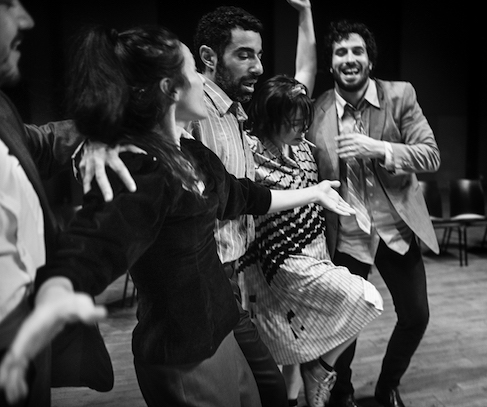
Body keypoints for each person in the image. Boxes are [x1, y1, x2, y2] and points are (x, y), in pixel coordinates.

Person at [0, 23, 355, 407]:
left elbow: (244, 196)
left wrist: (314, 193)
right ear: (170, 88)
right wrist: (54, 294)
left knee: (271, 394)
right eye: (193, 71)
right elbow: (94, 248)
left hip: (222, 326)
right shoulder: (141, 169)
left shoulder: (194, 154)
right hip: (184, 354)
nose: (202, 80)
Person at [307, 20, 441, 407]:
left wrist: (380, 148)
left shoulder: (400, 95)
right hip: (346, 234)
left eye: (357, 51)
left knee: (416, 316)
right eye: (341, 52)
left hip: (394, 229)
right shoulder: (316, 111)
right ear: (330, 63)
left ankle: (387, 386)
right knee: (344, 323)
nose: (349, 59)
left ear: (370, 59)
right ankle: (342, 393)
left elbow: (430, 155)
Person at [188, 2, 315, 405]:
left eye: (259, 55)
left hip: (235, 271)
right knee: (248, 389)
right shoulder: (192, 108)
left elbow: (303, 78)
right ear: (208, 57)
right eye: (244, 55)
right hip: (204, 276)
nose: (258, 67)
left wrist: (305, 15)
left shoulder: (234, 112)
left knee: (258, 388)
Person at [0, 2, 125, 406]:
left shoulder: (1, 107)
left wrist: (97, 132)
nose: (26, 19)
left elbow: (39, 142)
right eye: (7, 4)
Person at [238, 75, 383, 407]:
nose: (301, 129)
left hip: (316, 250)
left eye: (304, 122)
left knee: (296, 346)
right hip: (279, 262)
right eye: (293, 123)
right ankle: (316, 372)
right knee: (365, 299)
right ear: (271, 118)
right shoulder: (250, 150)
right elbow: (248, 200)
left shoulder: (304, 146)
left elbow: (303, 73)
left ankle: (315, 372)